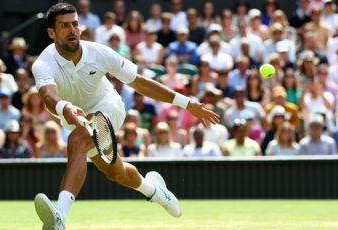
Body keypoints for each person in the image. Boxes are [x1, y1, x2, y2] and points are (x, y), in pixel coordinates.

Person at [31, 3, 219, 229]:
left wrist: (187, 103)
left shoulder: (99, 53)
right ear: (52, 33)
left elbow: (139, 82)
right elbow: (48, 96)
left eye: (75, 24)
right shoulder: (43, 63)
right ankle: (154, 190)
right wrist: (65, 108)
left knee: (77, 140)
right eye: (64, 26)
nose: (72, 30)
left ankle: (60, 216)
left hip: (108, 106)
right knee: (115, 172)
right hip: (75, 117)